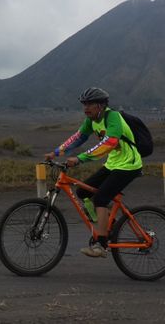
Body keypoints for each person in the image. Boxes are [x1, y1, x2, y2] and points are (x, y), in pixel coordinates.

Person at [45, 87, 143, 258]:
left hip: (129, 165)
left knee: (101, 198)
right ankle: (104, 227)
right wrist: (56, 152)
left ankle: (101, 244)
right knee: (83, 191)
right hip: (113, 164)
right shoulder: (91, 120)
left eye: (90, 104)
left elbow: (110, 142)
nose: (86, 108)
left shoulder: (113, 117)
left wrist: (80, 158)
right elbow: (78, 137)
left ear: (101, 105)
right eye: (84, 104)